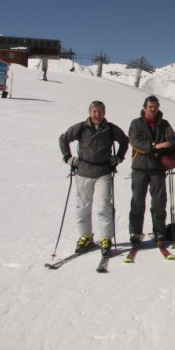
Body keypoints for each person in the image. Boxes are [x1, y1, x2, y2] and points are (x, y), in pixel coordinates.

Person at [59, 100, 129, 257]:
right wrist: (68, 158)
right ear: (90, 112)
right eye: (95, 111)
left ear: (104, 112)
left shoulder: (110, 128)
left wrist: (119, 157)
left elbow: (124, 141)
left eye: (100, 111)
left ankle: (105, 238)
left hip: (103, 172)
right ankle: (85, 236)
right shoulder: (81, 127)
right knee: (82, 207)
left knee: (103, 206)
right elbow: (63, 139)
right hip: (83, 172)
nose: (97, 115)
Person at [128, 95, 175, 248]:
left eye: (155, 107)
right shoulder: (136, 123)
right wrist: (155, 146)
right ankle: (135, 232)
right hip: (140, 168)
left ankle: (159, 231)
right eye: (150, 107)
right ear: (144, 108)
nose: (153, 109)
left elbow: (174, 140)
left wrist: (168, 147)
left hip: (158, 169)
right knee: (137, 201)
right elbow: (135, 142)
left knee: (159, 202)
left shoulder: (164, 124)